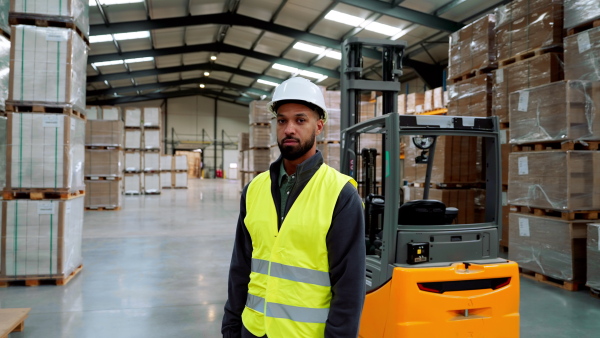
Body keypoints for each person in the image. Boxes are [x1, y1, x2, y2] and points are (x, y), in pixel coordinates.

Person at [221, 77, 366, 338]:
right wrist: (231, 327)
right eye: (282, 120)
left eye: (300, 120)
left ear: (319, 126)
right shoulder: (254, 189)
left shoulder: (340, 193)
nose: (289, 129)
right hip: (253, 330)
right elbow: (240, 266)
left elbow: (349, 286)